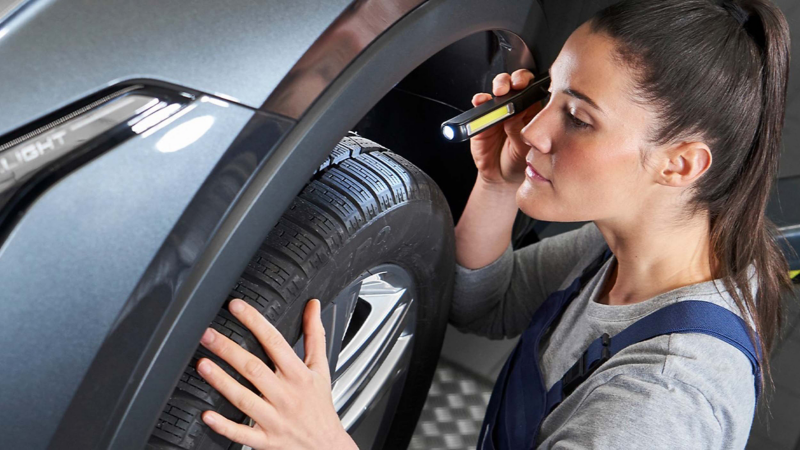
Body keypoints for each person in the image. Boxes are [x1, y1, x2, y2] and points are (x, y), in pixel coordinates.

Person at [188, 0, 794, 448]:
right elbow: (485, 303)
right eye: (548, 94)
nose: (532, 130)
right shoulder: (629, 251)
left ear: (679, 163)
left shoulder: (661, 401)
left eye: (578, 118)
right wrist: (498, 183)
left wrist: (324, 441)